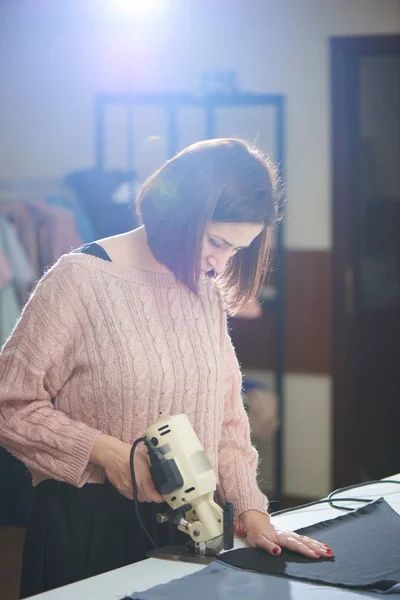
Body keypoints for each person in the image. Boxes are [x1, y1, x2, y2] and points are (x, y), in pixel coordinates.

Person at [0, 138, 333, 598]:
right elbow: (9, 403)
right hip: (87, 532)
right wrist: (107, 453)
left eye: (237, 250)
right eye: (217, 242)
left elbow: (227, 420)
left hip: (183, 533)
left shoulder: (205, 290)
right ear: (181, 212)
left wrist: (253, 512)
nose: (221, 263)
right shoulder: (78, 280)